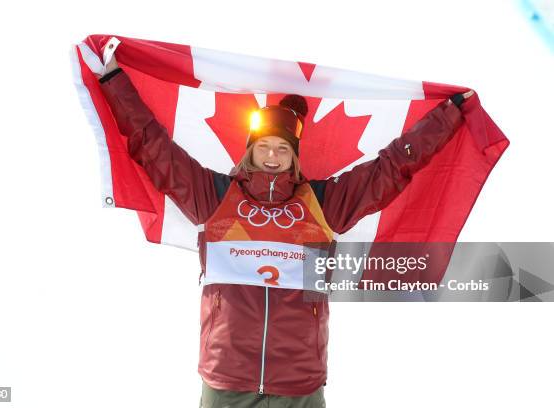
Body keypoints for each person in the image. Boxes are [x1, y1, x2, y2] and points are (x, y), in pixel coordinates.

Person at [96, 52, 472, 408]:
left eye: (282, 148)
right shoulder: (214, 197)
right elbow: (152, 146)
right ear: (250, 151)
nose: (272, 156)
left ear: (294, 155)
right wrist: (112, 77)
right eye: (264, 147)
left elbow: (390, 169)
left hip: (300, 383)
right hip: (226, 379)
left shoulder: (323, 203)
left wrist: (449, 114)